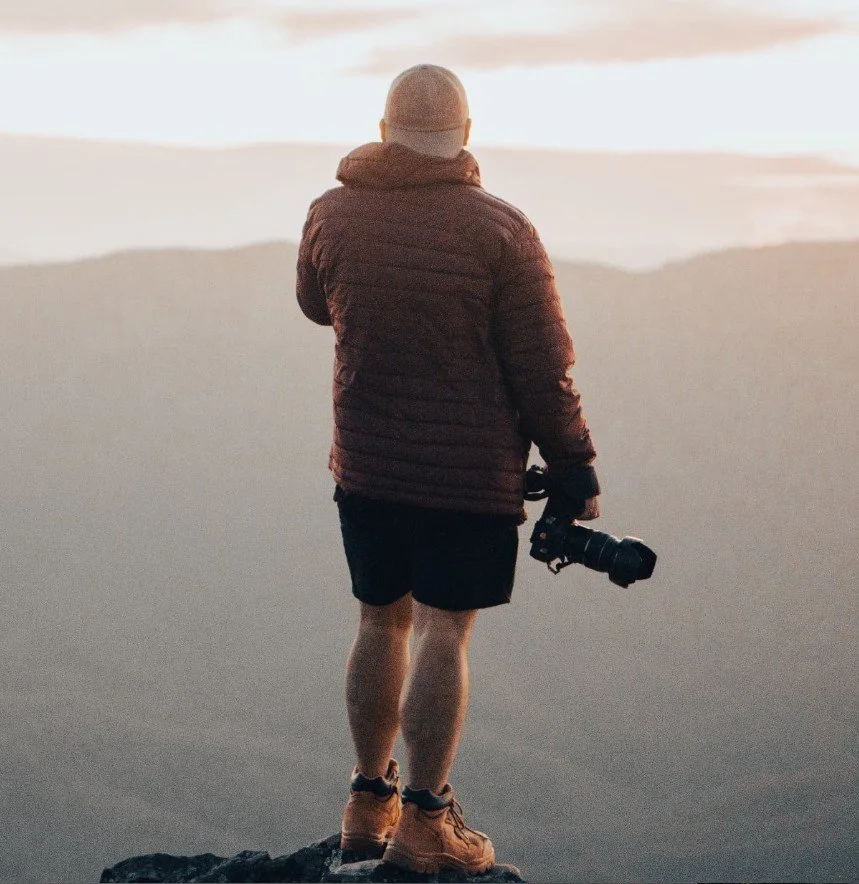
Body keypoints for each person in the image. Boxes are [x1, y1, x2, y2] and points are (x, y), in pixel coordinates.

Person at [296, 63, 599, 876]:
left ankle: (367, 805)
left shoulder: (329, 213)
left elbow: (316, 305)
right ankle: (427, 822)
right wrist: (573, 465)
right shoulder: (502, 230)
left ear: (383, 130)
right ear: (463, 135)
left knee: (378, 620)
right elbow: (542, 368)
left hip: (366, 464)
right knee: (441, 629)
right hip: (466, 476)